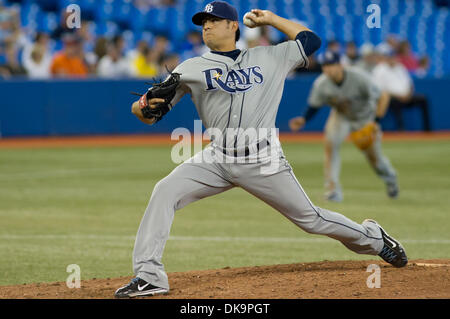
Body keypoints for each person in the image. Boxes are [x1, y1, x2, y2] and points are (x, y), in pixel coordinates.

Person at [115, 1, 408, 298]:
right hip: (217, 157)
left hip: (262, 159)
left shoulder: (271, 56)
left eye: (214, 20)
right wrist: (144, 106)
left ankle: (373, 237)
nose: (206, 25)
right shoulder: (190, 69)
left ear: (233, 26)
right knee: (164, 190)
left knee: (312, 219)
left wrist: (271, 19)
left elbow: (311, 41)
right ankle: (149, 276)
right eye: (203, 21)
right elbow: (147, 114)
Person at [289, 51, 398, 203]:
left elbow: (383, 96)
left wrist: (376, 122)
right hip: (341, 117)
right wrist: (303, 119)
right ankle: (333, 190)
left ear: (340, 65)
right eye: (325, 66)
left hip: (365, 118)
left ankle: (390, 179)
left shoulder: (359, 77)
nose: (328, 69)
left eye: (332, 65)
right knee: (330, 146)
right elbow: (314, 105)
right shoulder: (322, 83)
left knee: (375, 159)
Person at [372, 47, 431, 131]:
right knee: (395, 103)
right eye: (390, 57)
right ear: (386, 58)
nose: (392, 59)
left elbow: (410, 84)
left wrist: (408, 94)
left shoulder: (400, 67)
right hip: (391, 98)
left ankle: (427, 129)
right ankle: (401, 130)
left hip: (406, 96)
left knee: (424, 99)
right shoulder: (380, 69)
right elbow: (380, 89)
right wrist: (398, 96)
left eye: (393, 57)